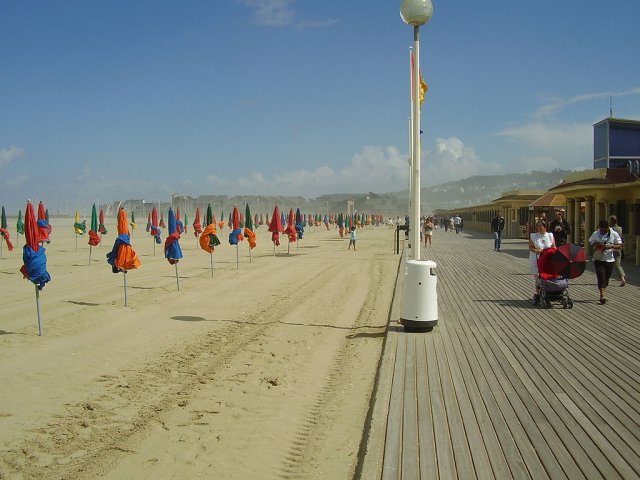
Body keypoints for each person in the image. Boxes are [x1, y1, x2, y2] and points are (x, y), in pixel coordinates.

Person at [589, 219, 623, 304]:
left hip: (609, 259)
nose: (603, 231)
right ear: (599, 228)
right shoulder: (595, 234)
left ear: (608, 228)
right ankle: (602, 296)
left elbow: (620, 245)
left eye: (605, 230)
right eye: (601, 229)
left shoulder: (613, 234)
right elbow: (591, 242)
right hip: (599, 259)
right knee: (601, 277)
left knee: (606, 278)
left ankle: (603, 290)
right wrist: (597, 245)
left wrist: (611, 246)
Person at [529, 221, 555, 304]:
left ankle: (548, 293)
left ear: (545, 227)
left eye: (541, 226)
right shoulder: (534, 236)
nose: (539, 228)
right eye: (538, 226)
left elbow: (554, 247)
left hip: (547, 259)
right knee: (538, 277)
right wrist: (537, 250)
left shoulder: (550, 235)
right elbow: (530, 247)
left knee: (547, 275)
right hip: (536, 258)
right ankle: (539, 294)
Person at [609, 215, 626, 286]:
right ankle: (622, 278)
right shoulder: (620, 228)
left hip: (612, 248)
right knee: (617, 265)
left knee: (607, 264)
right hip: (618, 248)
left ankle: (622, 279)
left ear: (612, 221)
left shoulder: (610, 229)